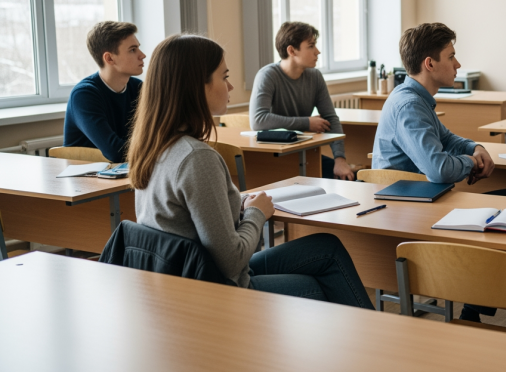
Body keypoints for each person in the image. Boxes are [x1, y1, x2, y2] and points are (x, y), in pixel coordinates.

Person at [128, 33, 373, 308]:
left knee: (326, 247)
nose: (231, 85)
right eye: (224, 77)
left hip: (182, 278)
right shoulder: (196, 157)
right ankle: (378, 342)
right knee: (324, 285)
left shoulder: (155, 145)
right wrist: (257, 213)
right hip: (217, 290)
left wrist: (241, 207)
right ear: (198, 86)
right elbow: (233, 261)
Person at [372, 22, 506, 330]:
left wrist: (474, 147)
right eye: (451, 56)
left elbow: (448, 139)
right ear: (430, 64)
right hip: (413, 213)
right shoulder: (410, 105)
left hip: (421, 203)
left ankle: (482, 309)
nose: (458, 64)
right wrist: (470, 162)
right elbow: (438, 169)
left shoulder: (413, 96)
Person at [250, 22, 354, 180]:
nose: (317, 52)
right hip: (273, 157)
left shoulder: (315, 76)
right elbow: (258, 121)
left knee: (350, 178)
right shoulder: (267, 75)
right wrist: (306, 123)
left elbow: (331, 118)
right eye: (311, 46)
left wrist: (340, 160)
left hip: (302, 155)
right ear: (291, 50)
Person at [64, 21, 145, 162]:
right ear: (109, 58)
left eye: (138, 48)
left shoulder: (138, 88)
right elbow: (116, 152)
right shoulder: (84, 95)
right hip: (88, 180)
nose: (142, 55)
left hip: (127, 174)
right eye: (133, 50)